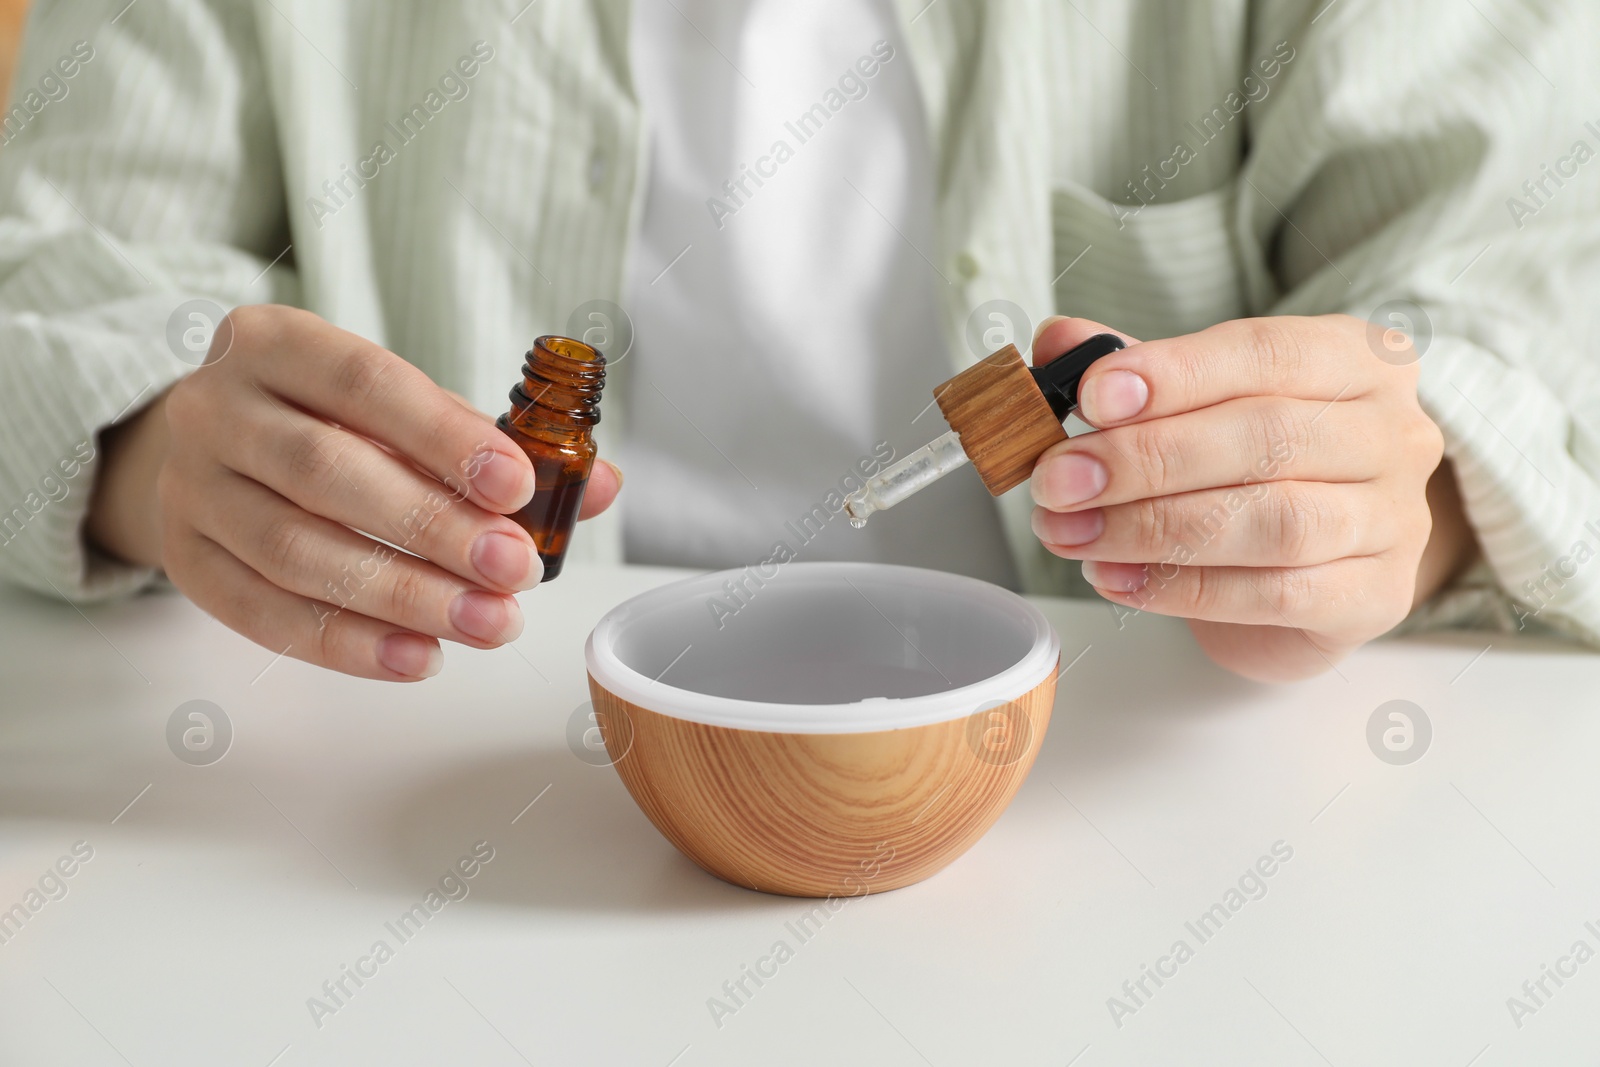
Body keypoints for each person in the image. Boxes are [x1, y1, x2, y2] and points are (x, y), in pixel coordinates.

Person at [0, 0, 1595, 684]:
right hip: (450, 787)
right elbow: (46, 281)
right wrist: (154, 452)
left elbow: (1523, 311)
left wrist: (1396, 498)